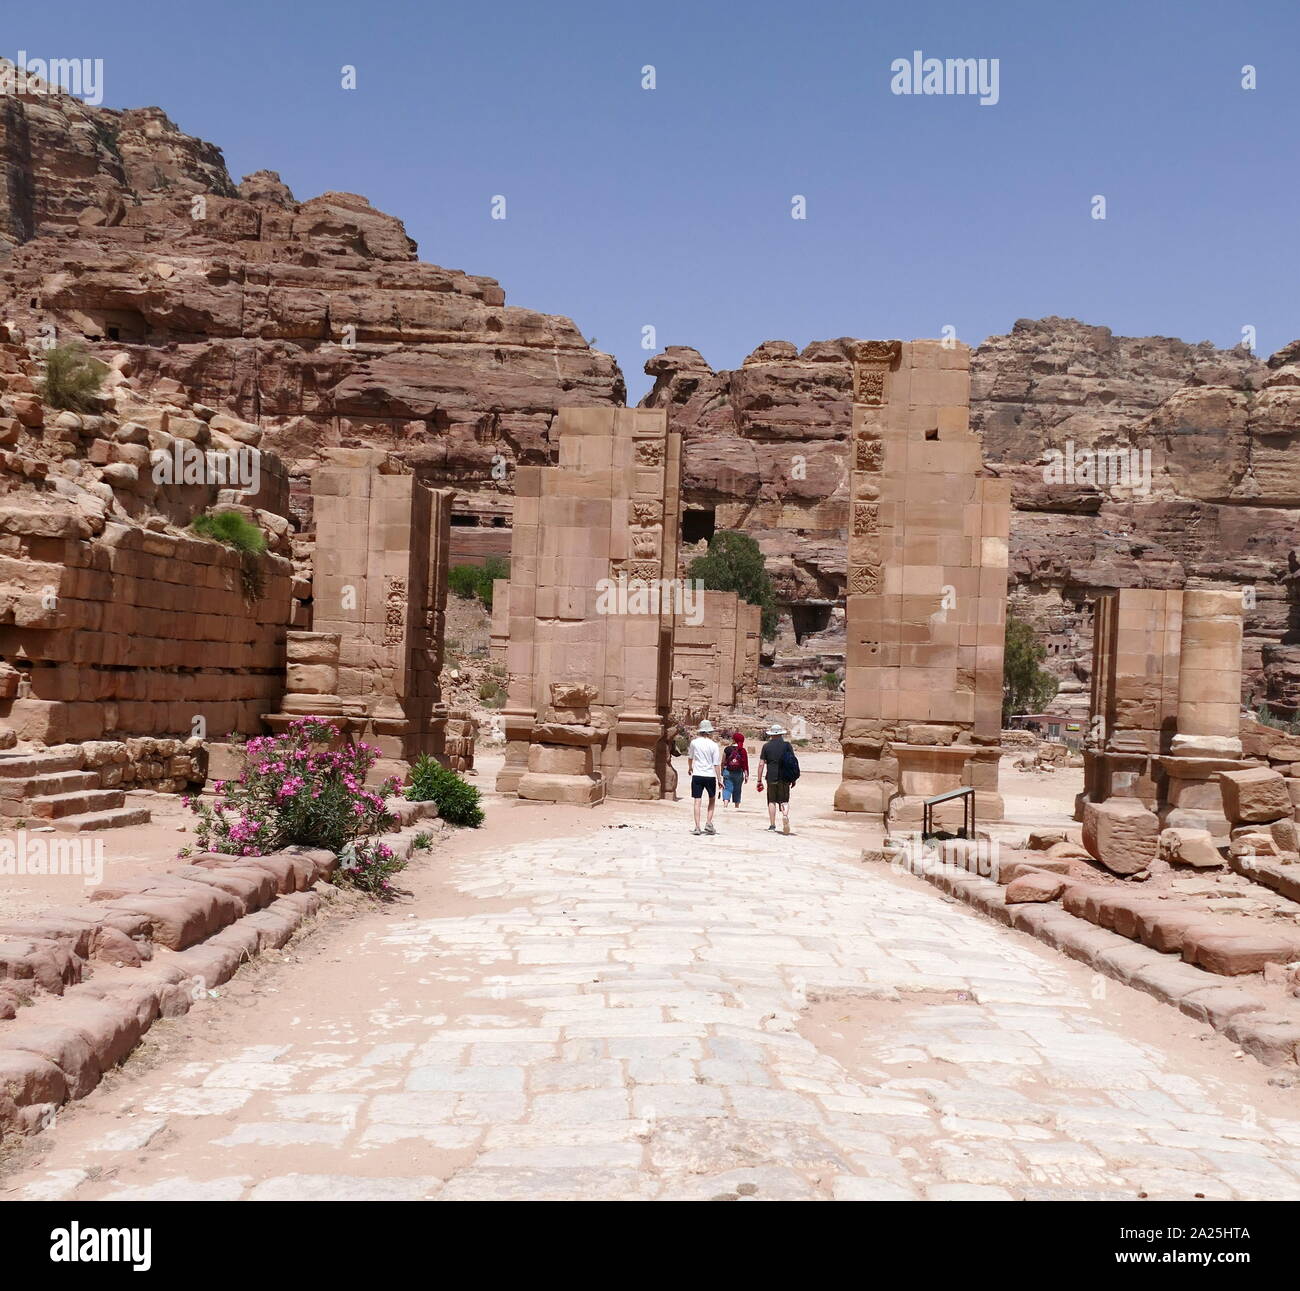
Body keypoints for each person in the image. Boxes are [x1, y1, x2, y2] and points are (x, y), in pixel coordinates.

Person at [756, 722, 798, 834]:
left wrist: (759, 780)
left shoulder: (766, 746)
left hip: (771, 777)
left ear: (771, 734)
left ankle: (772, 825)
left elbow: (761, 764)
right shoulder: (787, 746)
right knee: (784, 800)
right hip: (785, 777)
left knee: (772, 801)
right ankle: (785, 816)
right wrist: (793, 778)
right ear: (781, 734)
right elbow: (792, 762)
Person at [685, 719, 722, 835]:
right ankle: (709, 822)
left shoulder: (694, 743)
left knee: (697, 800)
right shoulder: (714, 745)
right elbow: (716, 763)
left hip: (697, 774)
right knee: (712, 799)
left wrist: (690, 767)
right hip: (710, 775)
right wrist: (719, 779)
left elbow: (690, 757)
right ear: (710, 732)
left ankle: (697, 826)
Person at [720, 730, 749, 808]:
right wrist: (746, 775)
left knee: (727, 788)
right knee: (737, 789)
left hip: (728, 771)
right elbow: (745, 764)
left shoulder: (727, 749)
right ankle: (736, 806)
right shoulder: (742, 750)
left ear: (733, 739)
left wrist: (722, 771)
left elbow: (723, 761)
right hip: (739, 773)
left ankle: (725, 805)